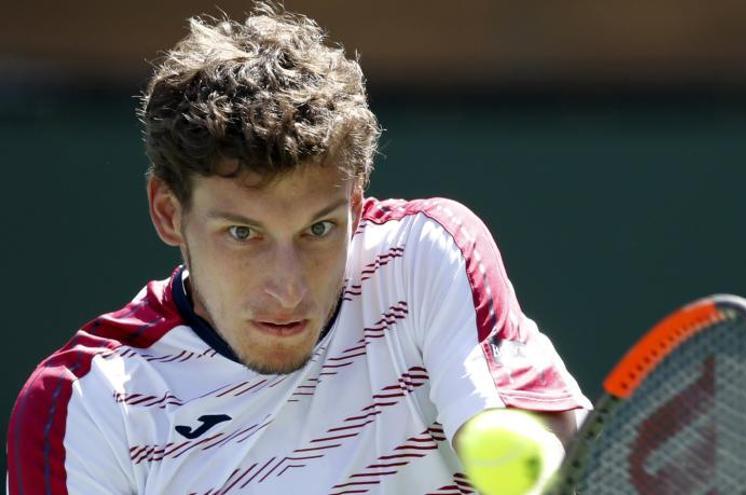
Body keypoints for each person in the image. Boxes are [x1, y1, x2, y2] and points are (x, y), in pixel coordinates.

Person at [6, 2, 589, 493]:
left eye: (318, 230)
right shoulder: (86, 406)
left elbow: (545, 453)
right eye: (243, 234)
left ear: (357, 205)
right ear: (168, 212)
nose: (287, 288)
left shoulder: (421, 258)